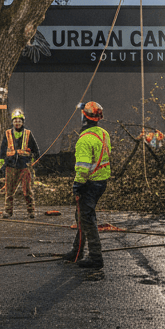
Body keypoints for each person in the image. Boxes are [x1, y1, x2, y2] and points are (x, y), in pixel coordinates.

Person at [62, 100, 110, 270]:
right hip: (101, 182)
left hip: (89, 184)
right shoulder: (104, 134)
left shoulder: (84, 140)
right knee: (82, 217)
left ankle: (96, 257)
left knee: (87, 220)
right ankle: (77, 252)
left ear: (84, 117)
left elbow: (82, 168)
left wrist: (77, 185)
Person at [0, 108, 41, 218]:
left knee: (27, 191)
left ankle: (31, 211)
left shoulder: (28, 134)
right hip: (11, 166)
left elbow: (36, 150)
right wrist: (1, 163)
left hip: (24, 166)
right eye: (15, 120)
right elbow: (2, 150)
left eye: (19, 120)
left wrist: (32, 163)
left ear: (23, 122)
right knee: (9, 191)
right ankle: (8, 211)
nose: (17, 122)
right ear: (12, 122)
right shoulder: (7, 134)